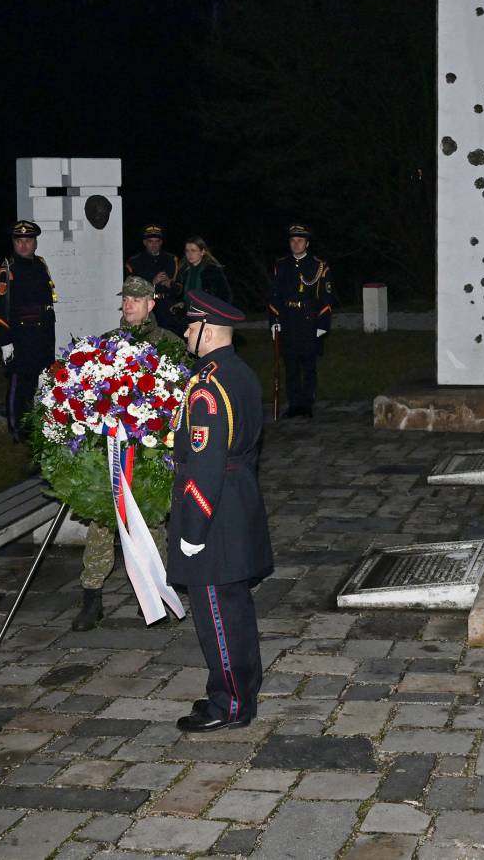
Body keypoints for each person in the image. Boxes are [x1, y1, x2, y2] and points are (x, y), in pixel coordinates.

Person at [168, 289, 273, 732]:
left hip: (215, 511)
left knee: (216, 611)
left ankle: (228, 703)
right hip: (239, 498)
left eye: (191, 326)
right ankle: (240, 687)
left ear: (207, 331)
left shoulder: (207, 388)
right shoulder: (240, 373)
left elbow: (206, 465)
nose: (187, 333)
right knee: (234, 607)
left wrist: (192, 529)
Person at [72, 276, 172, 631]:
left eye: (137, 298)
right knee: (102, 520)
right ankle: (91, 597)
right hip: (111, 454)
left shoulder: (168, 345)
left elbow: (177, 397)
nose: (129, 303)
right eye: (126, 298)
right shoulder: (107, 345)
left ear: (151, 303)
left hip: (148, 455)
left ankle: (158, 594)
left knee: (151, 521)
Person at [0, 220, 57, 436]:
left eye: (28, 240)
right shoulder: (7, 269)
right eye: (18, 241)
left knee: (43, 378)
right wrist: (4, 341)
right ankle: (17, 427)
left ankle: (39, 422)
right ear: (13, 243)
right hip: (21, 335)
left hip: (43, 333)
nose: (23, 245)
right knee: (21, 382)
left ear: (35, 243)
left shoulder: (40, 264)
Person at [268, 224, 333, 418]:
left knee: (308, 363)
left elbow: (326, 299)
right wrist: (274, 319)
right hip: (288, 319)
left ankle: (307, 404)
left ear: (307, 243)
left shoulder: (318, 266)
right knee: (291, 364)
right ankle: (294, 403)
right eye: (293, 240)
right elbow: (274, 295)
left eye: (300, 240)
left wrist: (322, 324)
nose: (296, 244)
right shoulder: (281, 265)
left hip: (308, 320)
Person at [125, 225, 181, 331]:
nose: (154, 245)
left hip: (168, 308)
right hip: (146, 308)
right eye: (150, 241)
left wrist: (170, 284)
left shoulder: (171, 260)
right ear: (144, 243)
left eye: (157, 241)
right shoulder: (134, 262)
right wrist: (152, 282)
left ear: (161, 242)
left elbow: (180, 289)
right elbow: (131, 289)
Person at [174, 236, 232, 321]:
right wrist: (182, 303)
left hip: (207, 317)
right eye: (187, 251)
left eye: (193, 250)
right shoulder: (184, 272)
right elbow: (186, 295)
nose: (190, 254)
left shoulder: (212, 270)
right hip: (189, 316)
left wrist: (214, 313)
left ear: (202, 252)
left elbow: (225, 296)